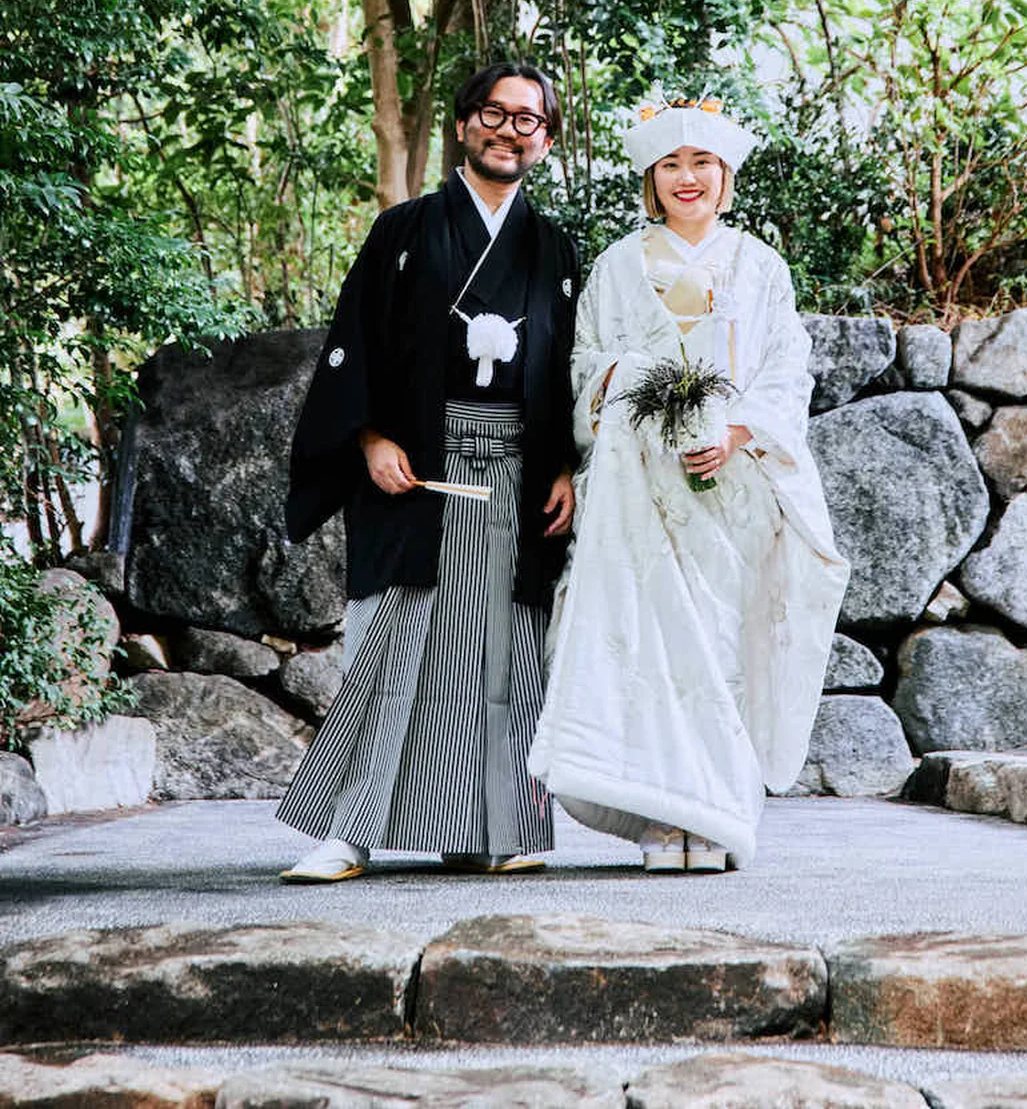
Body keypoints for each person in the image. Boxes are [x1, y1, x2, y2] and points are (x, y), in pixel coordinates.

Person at [529, 97, 849, 873]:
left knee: (720, 644)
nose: (687, 177)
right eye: (670, 165)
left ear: (724, 174)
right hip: (637, 488)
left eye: (702, 163)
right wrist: (629, 380)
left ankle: (717, 814)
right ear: (651, 178)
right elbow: (581, 366)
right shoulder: (615, 265)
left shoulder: (758, 266)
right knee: (646, 642)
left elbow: (785, 369)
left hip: (729, 486)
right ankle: (659, 819)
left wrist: (737, 430)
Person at [277, 61, 578, 881]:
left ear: (546, 140)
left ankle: (490, 827)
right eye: (493, 113)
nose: (508, 129)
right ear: (462, 125)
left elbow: (573, 371)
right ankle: (349, 830)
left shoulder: (554, 248)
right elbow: (355, 347)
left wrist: (568, 467)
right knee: (396, 643)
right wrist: (369, 436)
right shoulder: (402, 232)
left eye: (528, 119)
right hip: (416, 468)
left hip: (518, 474)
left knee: (502, 652)